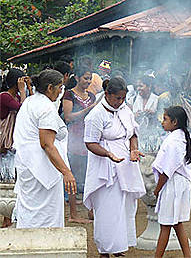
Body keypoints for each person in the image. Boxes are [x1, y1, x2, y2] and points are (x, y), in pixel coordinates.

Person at [83, 77, 146, 257]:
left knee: (126, 206)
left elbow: (133, 133)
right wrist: (108, 154)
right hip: (105, 166)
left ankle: (119, 247)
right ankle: (105, 250)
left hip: (125, 164)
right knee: (108, 209)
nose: (120, 102)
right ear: (108, 94)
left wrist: (133, 150)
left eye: (123, 98)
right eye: (117, 98)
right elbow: (90, 142)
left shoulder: (125, 110)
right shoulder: (95, 115)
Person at [13, 69, 76, 228]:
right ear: (49, 88)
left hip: (27, 165)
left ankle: (29, 246)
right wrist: (66, 172)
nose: (62, 90)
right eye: (60, 87)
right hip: (41, 171)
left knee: (30, 211)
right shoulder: (45, 108)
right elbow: (47, 144)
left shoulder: (30, 101)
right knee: (45, 216)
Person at [152, 106, 191, 258]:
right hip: (180, 183)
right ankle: (187, 256)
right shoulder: (182, 136)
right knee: (177, 223)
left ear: (174, 122)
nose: (162, 122)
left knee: (165, 225)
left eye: (165, 119)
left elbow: (167, 170)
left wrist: (157, 189)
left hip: (173, 184)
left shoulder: (173, 141)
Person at [63, 66, 98, 223]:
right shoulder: (69, 94)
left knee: (90, 175)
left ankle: (91, 211)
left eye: (90, 78)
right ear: (77, 78)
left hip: (89, 139)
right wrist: (89, 109)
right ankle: (73, 214)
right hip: (75, 139)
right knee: (74, 177)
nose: (88, 81)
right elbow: (69, 117)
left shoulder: (91, 95)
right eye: (85, 78)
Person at [0, 68, 32, 227]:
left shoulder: (17, 96)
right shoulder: (5, 97)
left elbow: (32, 105)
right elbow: (24, 109)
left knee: (12, 182)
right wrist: (22, 90)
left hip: (13, 144)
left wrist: (29, 90)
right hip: (5, 144)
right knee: (6, 181)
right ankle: (6, 218)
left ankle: (8, 219)